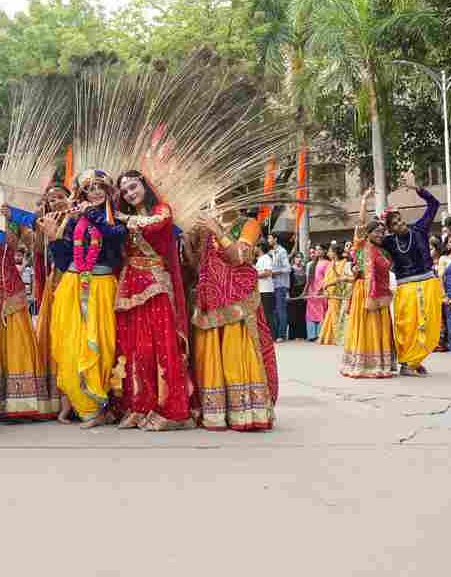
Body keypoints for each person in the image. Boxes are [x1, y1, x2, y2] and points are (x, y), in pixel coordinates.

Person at [107, 171, 194, 430]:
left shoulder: (161, 209)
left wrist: (126, 218)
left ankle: (172, 411)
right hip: (131, 284)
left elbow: (156, 224)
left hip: (155, 285)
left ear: (144, 185)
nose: (130, 193)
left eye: (133, 187)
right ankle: (138, 405)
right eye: (124, 191)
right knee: (135, 348)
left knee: (162, 347)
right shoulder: (123, 218)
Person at [40, 170, 126, 428]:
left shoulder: (115, 218)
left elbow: (115, 235)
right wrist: (55, 238)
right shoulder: (70, 221)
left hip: (102, 287)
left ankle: (100, 407)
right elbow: (65, 261)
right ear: (83, 193)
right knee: (71, 344)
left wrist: (91, 214)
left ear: (108, 191)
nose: (96, 192)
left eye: (100, 187)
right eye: (89, 188)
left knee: (102, 345)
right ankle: (84, 407)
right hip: (72, 285)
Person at [186, 205, 277, 431]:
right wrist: (189, 239)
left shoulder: (248, 224)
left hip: (238, 301)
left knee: (235, 355)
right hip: (209, 299)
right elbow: (193, 263)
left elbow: (241, 257)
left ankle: (243, 413)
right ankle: (214, 413)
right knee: (209, 358)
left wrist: (217, 230)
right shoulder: (205, 225)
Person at [0, 219, 52, 422]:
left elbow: (36, 246)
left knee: (17, 343)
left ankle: (19, 403)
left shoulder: (14, 217)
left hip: (11, 286)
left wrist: (36, 226)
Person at [6, 184, 73, 423]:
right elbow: (36, 249)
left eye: (60, 197)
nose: (56, 201)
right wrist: (22, 225)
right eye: (51, 199)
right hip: (56, 284)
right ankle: (56, 399)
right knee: (54, 336)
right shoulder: (46, 223)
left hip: (81, 283)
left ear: (71, 197)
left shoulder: (79, 218)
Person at [380, 186, 443, 376]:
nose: (401, 223)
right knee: (407, 325)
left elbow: (434, 205)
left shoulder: (419, 229)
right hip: (405, 286)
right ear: (389, 229)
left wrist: (420, 191)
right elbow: (368, 236)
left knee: (430, 324)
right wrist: (383, 217)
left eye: (400, 219)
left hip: (428, 282)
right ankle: (407, 360)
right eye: (395, 223)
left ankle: (416, 359)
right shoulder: (388, 241)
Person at [341, 189, 397, 379]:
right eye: (377, 232)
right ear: (368, 233)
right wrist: (364, 202)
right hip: (363, 293)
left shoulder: (381, 251)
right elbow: (361, 224)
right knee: (367, 327)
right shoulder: (362, 246)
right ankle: (363, 365)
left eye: (382, 232)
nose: (380, 234)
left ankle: (380, 364)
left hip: (380, 294)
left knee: (379, 327)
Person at [317, 242, 350, 346]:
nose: (328, 253)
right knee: (330, 314)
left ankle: (338, 338)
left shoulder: (344, 262)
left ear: (335, 253)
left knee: (336, 315)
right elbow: (326, 277)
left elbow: (340, 278)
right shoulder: (330, 263)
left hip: (339, 292)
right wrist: (323, 287)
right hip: (330, 292)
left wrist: (328, 285)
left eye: (330, 251)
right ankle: (327, 337)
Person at [265, 233, 291, 341]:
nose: (268, 240)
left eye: (270, 238)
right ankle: (275, 334)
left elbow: (288, 268)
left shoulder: (282, 251)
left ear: (275, 239)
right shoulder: (271, 253)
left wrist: (275, 272)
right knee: (274, 311)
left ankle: (282, 335)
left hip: (281, 285)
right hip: (272, 285)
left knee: (281, 310)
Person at [305, 245, 329, 341]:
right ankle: (311, 335)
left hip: (321, 291)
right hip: (311, 291)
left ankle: (320, 334)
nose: (317, 251)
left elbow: (327, 277)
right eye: (316, 249)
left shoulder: (328, 263)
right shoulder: (311, 264)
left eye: (320, 249)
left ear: (324, 251)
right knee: (310, 313)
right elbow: (309, 280)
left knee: (321, 312)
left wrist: (321, 288)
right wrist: (305, 291)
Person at [256, 244, 276, 334]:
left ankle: (272, 335)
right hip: (260, 290)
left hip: (266, 290)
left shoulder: (266, 258)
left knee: (268, 314)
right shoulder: (259, 259)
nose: (254, 249)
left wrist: (254, 276)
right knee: (262, 315)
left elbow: (268, 273)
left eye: (255, 247)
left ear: (260, 248)